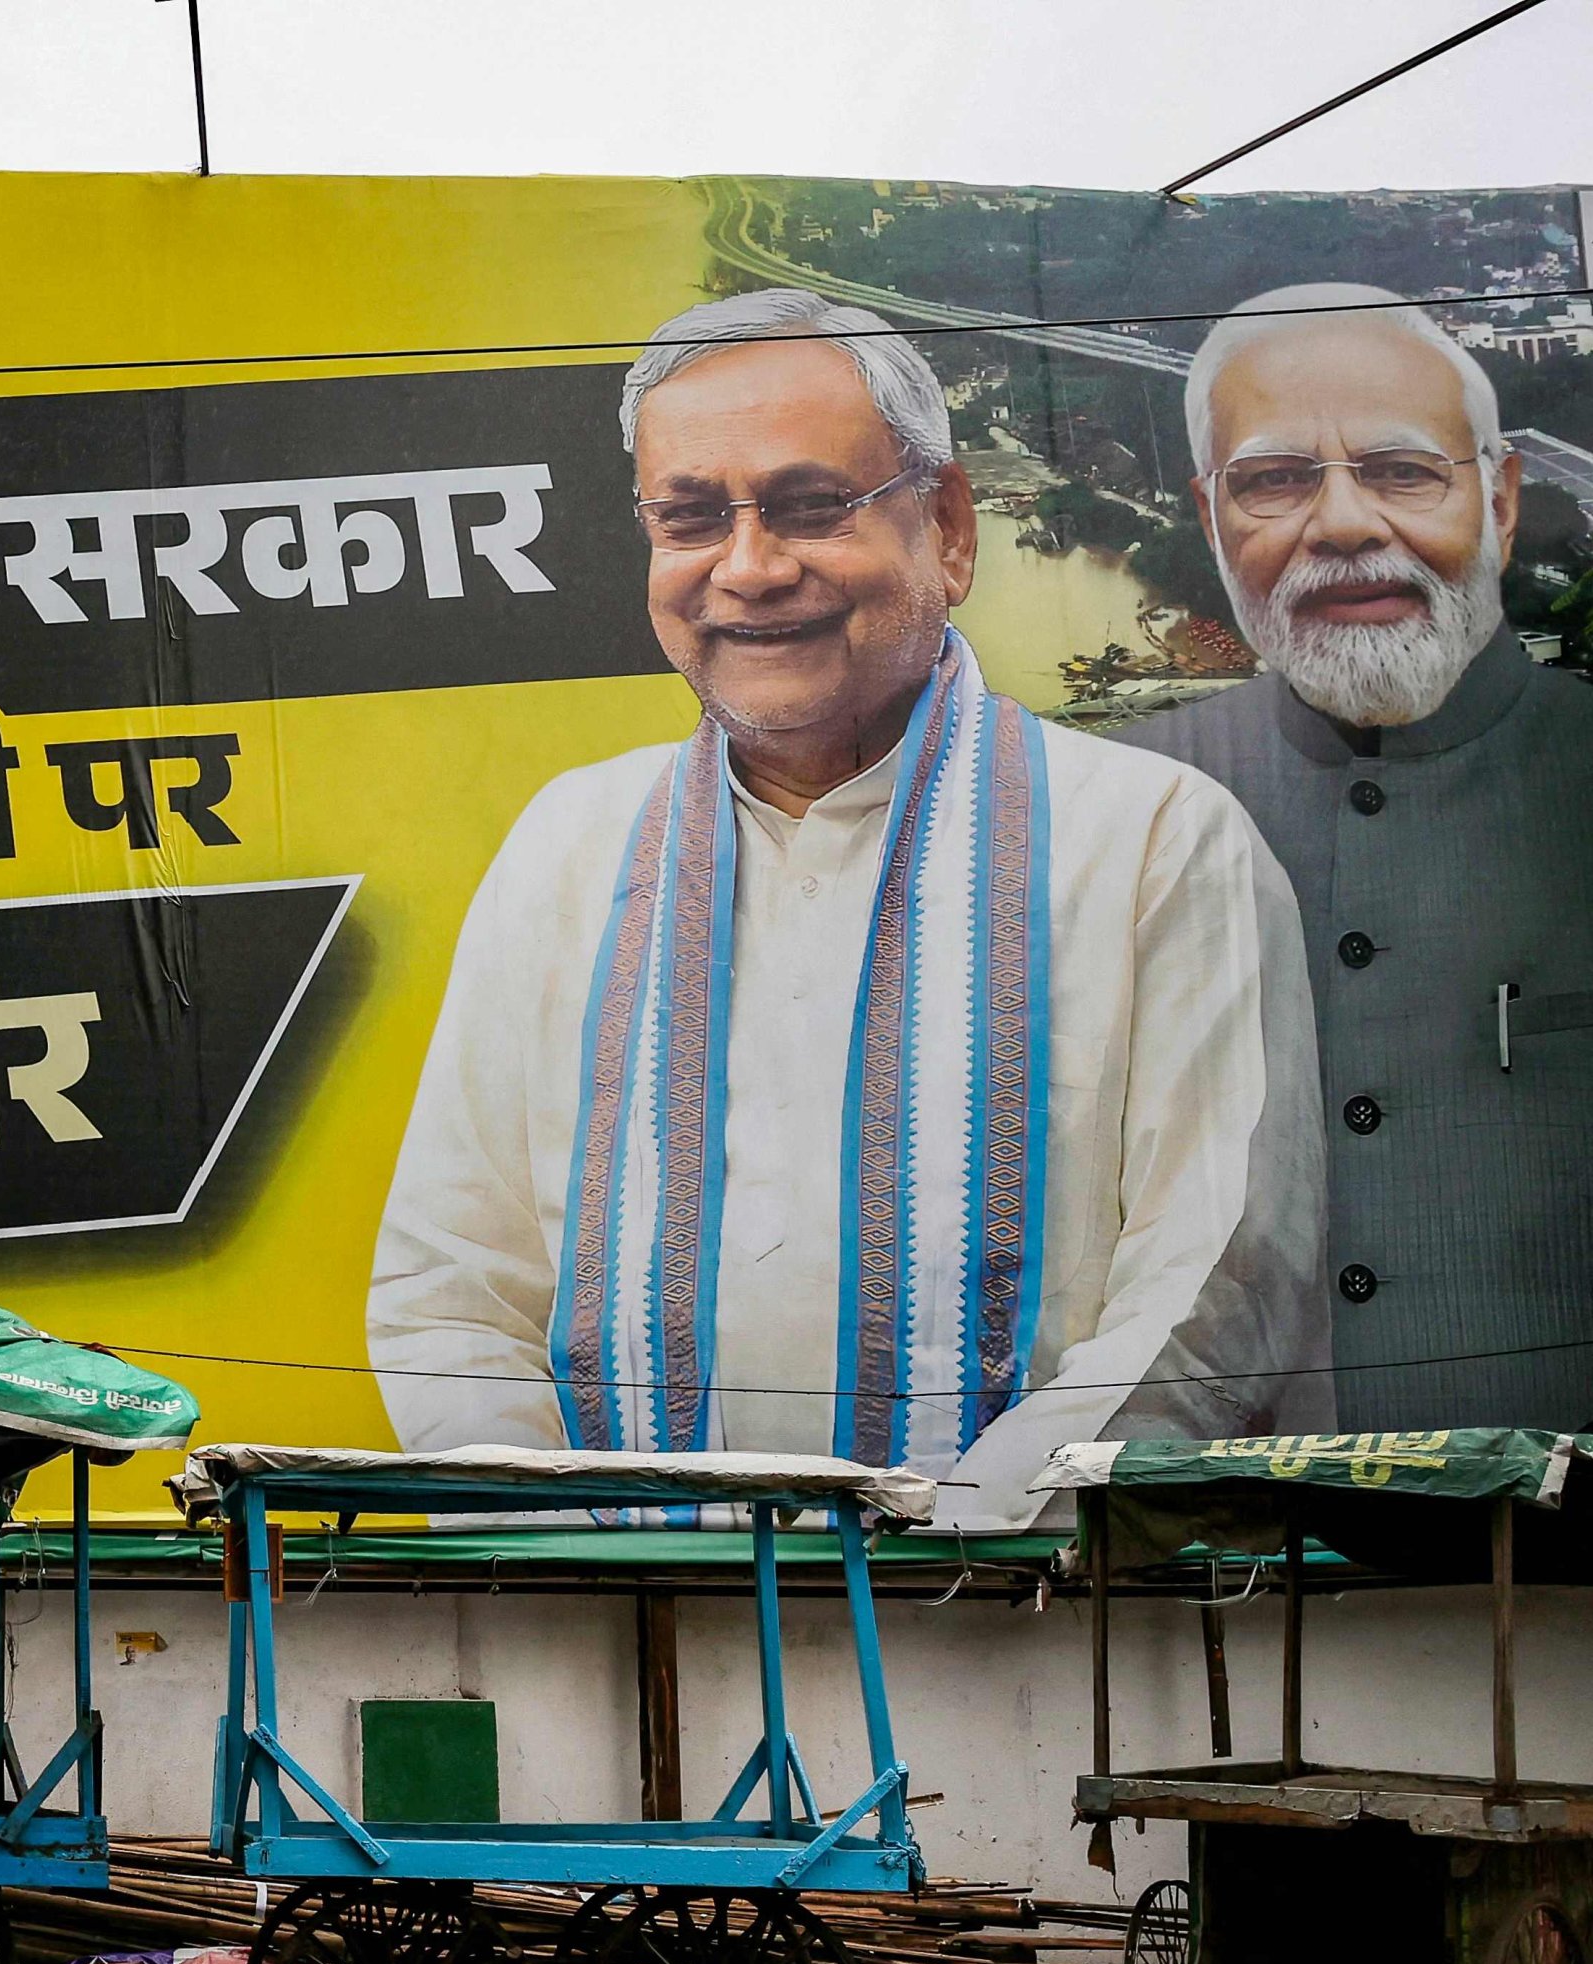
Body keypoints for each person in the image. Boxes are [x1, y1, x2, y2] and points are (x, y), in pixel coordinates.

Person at [370, 289, 1327, 1521]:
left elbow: (1216, 1293)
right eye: (692, 516)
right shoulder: (572, 848)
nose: (751, 568)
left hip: (1012, 1638)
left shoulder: (1154, 845)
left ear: (949, 528)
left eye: (814, 506)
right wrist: (584, 1558)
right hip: (628, 1635)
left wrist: (947, 1555)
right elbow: (455, 1288)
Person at [1119, 284, 1593, 1433]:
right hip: (1210, 1570)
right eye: (1276, 480)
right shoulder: (1123, 809)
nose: (1340, 525)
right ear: (1210, 514)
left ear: (1503, 497)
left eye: (1400, 469)